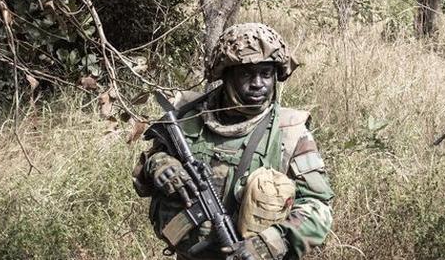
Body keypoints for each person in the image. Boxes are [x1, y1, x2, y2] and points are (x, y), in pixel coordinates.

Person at [132, 23, 334, 260]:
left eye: (266, 74)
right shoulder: (188, 117)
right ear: (227, 75)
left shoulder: (289, 131)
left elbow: (319, 208)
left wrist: (268, 243)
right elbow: (141, 181)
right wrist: (160, 164)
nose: (258, 83)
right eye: (247, 73)